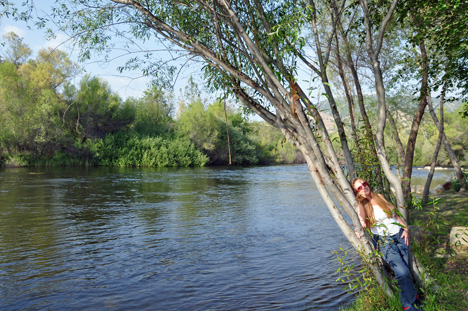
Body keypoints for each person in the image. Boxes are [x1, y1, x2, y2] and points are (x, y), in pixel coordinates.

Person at [352, 178, 423, 311]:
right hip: (385, 241)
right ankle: (408, 305)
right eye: (359, 187)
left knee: (406, 271)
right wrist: (358, 230)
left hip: (400, 235)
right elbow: (362, 223)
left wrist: (405, 228)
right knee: (401, 272)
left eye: (364, 184)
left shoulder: (379, 196)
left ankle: (411, 298)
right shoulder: (362, 205)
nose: (364, 187)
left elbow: (395, 215)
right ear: (357, 193)